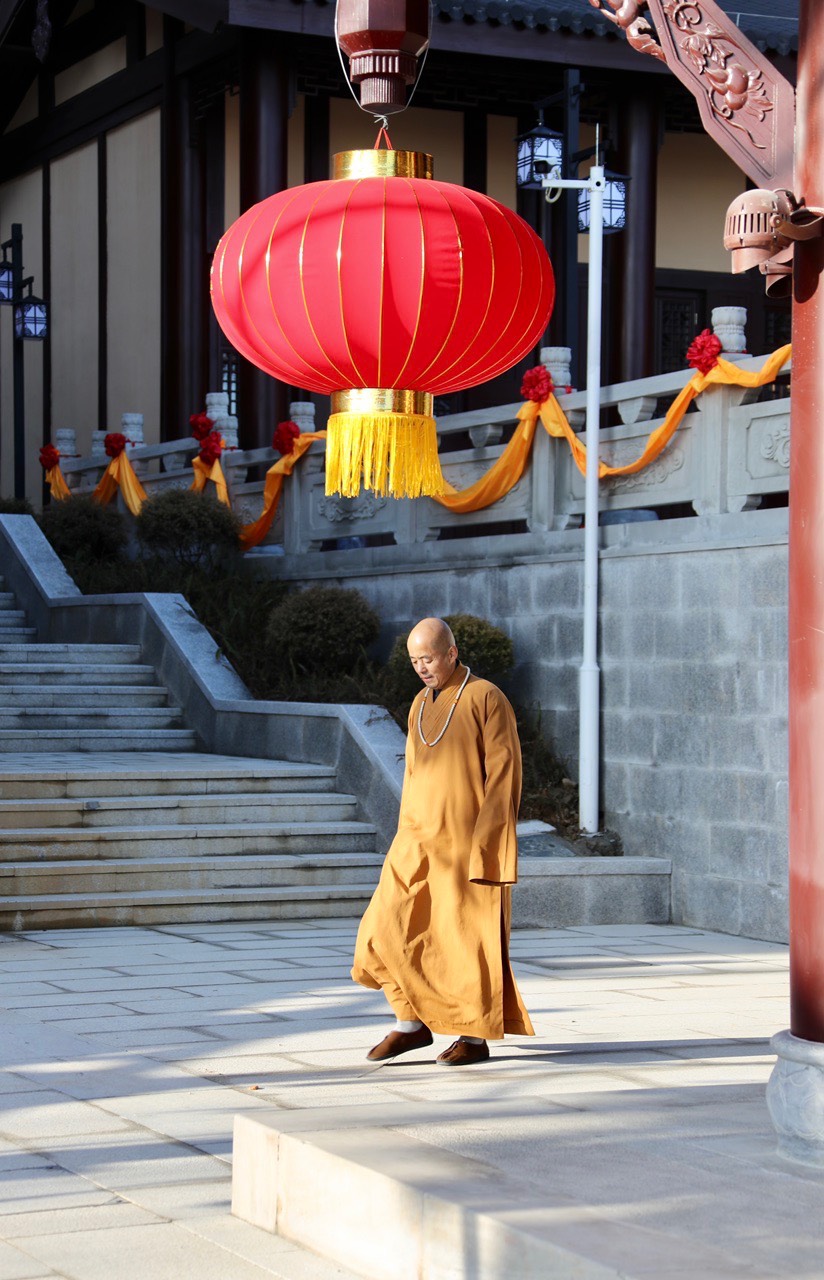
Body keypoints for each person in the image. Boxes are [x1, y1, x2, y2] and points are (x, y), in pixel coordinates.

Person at [351, 616, 534, 1065]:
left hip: (466, 846)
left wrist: (490, 847)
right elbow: (413, 774)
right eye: (414, 660)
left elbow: (505, 773)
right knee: (380, 932)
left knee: (464, 944)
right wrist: (404, 835)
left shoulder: (486, 697)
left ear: (452, 653)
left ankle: (473, 1039)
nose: (421, 668)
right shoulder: (418, 703)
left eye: (428, 658)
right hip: (417, 840)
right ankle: (410, 1025)